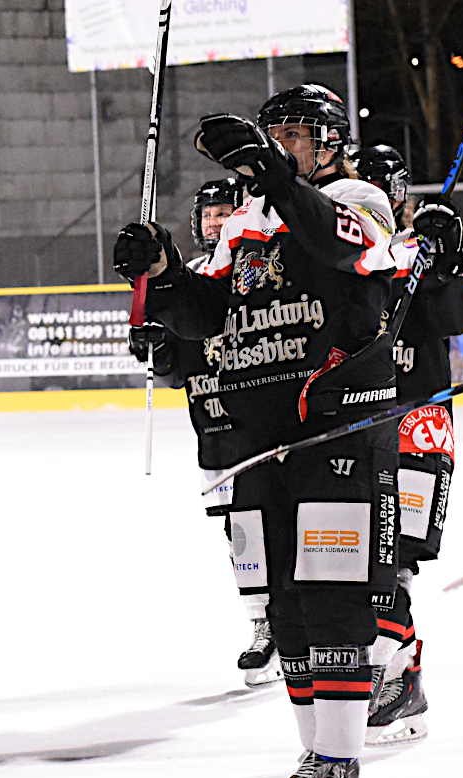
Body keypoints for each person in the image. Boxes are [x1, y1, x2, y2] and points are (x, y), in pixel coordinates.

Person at [114, 84, 400, 778]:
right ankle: (315, 752)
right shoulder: (246, 221)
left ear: (330, 142)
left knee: (335, 596)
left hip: (337, 427)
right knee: (287, 606)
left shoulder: (357, 196)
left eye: (296, 135)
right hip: (259, 436)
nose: (282, 146)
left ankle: (341, 757)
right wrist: (164, 274)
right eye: (274, 135)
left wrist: (274, 173)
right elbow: (208, 312)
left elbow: (340, 245)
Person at [353, 144, 463, 746]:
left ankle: (398, 678)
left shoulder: (432, 239)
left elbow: (462, 313)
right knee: (353, 561)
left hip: (418, 422)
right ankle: (382, 669)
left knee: (397, 562)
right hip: (354, 420)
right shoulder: (346, 248)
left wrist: (448, 257)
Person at [130, 176, 277, 688]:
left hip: (261, 417)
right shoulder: (187, 279)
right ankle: (264, 623)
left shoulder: (259, 267)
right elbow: (175, 375)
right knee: (239, 533)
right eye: (208, 215)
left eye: (224, 213)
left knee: (274, 522)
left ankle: (286, 619)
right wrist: (159, 347)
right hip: (214, 425)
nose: (215, 222)